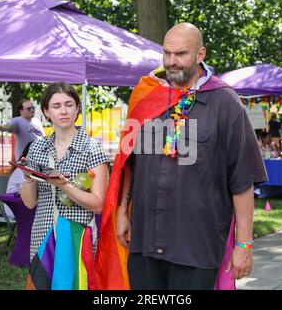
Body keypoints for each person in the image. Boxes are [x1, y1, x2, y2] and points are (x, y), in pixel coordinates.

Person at [95, 23, 267, 290]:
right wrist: (121, 212)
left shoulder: (226, 103)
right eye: (166, 53)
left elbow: (242, 180)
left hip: (196, 245)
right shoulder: (145, 97)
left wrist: (244, 243)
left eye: (181, 54)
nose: (171, 62)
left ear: (201, 55)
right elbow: (130, 162)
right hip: (145, 241)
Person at [20, 82, 109, 286]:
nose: (63, 111)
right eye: (56, 106)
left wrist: (65, 186)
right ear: (46, 111)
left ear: (78, 108)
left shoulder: (92, 148)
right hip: (42, 234)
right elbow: (29, 203)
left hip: (76, 236)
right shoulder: (37, 148)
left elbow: (98, 204)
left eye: (69, 104)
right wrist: (27, 178)